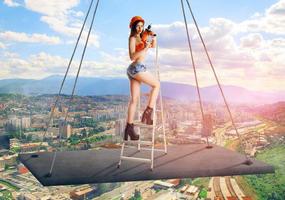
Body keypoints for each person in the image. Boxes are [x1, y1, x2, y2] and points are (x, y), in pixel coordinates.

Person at [124, 16, 160, 141]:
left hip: (135, 69)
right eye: (137, 26)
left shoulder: (143, 37)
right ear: (133, 27)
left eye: (141, 26)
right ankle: (147, 113)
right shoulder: (133, 38)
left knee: (134, 100)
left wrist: (152, 35)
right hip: (136, 68)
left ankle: (129, 128)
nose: (140, 28)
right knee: (156, 85)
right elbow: (132, 56)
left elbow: (153, 45)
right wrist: (145, 47)